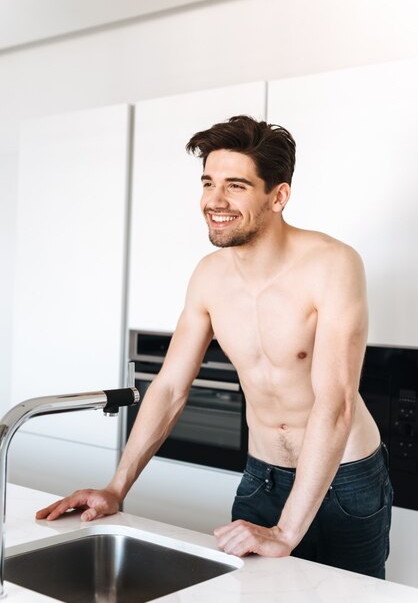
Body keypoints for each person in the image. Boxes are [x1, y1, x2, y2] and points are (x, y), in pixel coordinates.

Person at [37, 115, 393, 579]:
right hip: (261, 476)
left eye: (236, 186)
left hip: (344, 481)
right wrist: (116, 487)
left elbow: (336, 403)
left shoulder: (332, 265)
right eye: (208, 183)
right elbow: (168, 388)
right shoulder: (209, 276)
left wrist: (286, 532)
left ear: (278, 196)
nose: (215, 201)